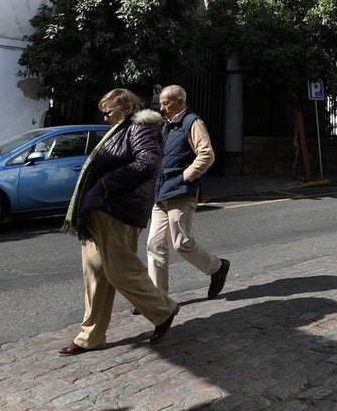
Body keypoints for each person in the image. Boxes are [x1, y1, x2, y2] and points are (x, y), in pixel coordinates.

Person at [57, 88, 181, 356]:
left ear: (125, 108)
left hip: (117, 208)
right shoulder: (121, 127)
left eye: (108, 112)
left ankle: (164, 310)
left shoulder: (143, 126)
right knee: (95, 274)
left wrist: (104, 185)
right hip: (99, 208)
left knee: (119, 270)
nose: (105, 119)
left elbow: (147, 163)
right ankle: (90, 336)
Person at [146, 84, 230, 300]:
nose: (161, 108)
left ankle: (217, 268)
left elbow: (206, 154)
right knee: (154, 244)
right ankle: (157, 299)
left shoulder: (192, 122)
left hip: (180, 192)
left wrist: (185, 177)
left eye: (166, 104)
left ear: (180, 102)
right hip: (161, 192)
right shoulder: (166, 126)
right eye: (161, 103)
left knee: (181, 242)